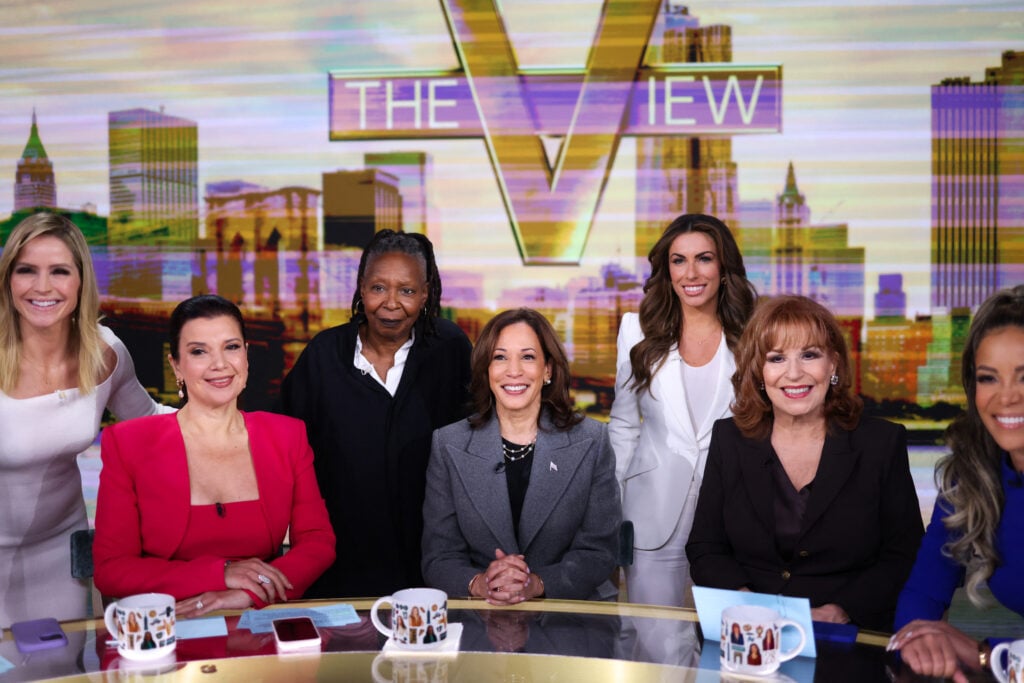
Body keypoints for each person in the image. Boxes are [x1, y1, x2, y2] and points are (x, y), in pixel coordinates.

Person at [686, 295, 923, 631]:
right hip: (746, 634)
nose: (794, 373)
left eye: (809, 355)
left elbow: (904, 553)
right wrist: (744, 604)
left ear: (834, 365)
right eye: (777, 358)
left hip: (848, 634)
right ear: (759, 371)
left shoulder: (880, 443)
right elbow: (705, 546)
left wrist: (841, 610)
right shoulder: (730, 439)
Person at [93, 295, 335, 616]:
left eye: (231, 347)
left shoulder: (287, 436)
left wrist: (251, 594)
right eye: (199, 351)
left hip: (256, 620)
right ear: (176, 365)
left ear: (247, 355)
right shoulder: (128, 444)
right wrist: (220, 575)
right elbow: (111, 570)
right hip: (169, 626)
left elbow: (317, 542)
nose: (219, 364)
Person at [0, 212, 173, 625]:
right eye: (27, 271)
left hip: (64, 549)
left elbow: (148, 421)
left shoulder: (104, 352)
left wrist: (228, 419)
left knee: (65, 668)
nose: (43, 287)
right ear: (8, 279)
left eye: (59, 271)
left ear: (81, 281)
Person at [281, 229, 472, 597]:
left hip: (431, 566)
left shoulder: (450, 350)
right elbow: (283, 449)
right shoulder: (324, 355)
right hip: (340, 566)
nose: (391, 303)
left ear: (426, 294)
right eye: (378, 288)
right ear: (360, 287)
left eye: (407, 290)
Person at [608, 213, 757, 608]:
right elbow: (624, 426)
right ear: (666, 269)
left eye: (704, 258)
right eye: (678, 260)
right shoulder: (636, 329)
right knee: (655, 648)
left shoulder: (754, 331)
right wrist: (608, 512)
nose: (691, 272)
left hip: (735, 518)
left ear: (724, 267)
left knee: (727, 645)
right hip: (650, 516)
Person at [422, 308, 621, 603]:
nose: (513, 370)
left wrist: (537, 583)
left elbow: (600, 551)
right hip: (480, 617)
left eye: (527, 357)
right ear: (486, 370)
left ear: (548, 370)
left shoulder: (591, 441)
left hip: (570, 613)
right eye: (499, 357)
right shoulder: (448, 444)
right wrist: (480, 583)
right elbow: (439, 557)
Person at [889, 285, 1024, 682]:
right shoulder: (974, 475)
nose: (1006, 397)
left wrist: (985, 655)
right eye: (988, 378)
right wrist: (918, 640)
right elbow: (924, 593)